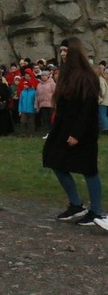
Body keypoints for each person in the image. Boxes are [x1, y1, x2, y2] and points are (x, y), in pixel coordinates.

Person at [43, 37, 105, 225]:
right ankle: (76, 205)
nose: (62, 54)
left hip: (83, 130)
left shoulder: (86, 76)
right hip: (63, 128)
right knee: (54, 159)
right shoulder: (66, 74)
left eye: (66, 51)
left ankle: (95, 211)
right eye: (61, 50)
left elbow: (88, 108)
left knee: (89, 169)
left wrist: (77, 134)